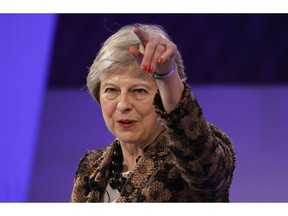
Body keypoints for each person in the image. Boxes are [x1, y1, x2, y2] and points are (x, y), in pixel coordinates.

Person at [70, 23, 236, 202]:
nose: (123, 104)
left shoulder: (191, 160)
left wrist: (166, 77)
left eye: (139, 90)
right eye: (111, 90)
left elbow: (207, 174)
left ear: (163, 97)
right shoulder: (90, 167)